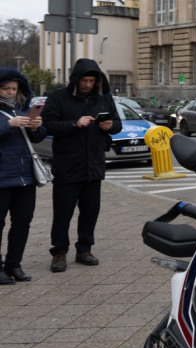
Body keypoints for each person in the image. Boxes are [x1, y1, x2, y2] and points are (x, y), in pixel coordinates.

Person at [41, 59, 122, 272]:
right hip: (67, 165)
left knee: (90, 211)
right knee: (63, 212)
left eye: (91, 80)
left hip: (94, 165)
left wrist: (110, 125)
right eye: (84, 80)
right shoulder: (58, 97)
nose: (87, 84)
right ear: (76, 79)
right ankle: (59, 251)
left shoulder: (104, 98)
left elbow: (117, 124)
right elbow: (48, 124)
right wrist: (74, 124)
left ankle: (84, 249)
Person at [0, 67, 48, 285]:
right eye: (6, 89)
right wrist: (8, 124)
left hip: (25, 177)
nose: (10, 92)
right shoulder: (7, 115)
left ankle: (14, 264)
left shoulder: (22, 109)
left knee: (23, 222)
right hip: (2, 178)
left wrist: (37, 127)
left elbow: (37, 139)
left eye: (14, 89)